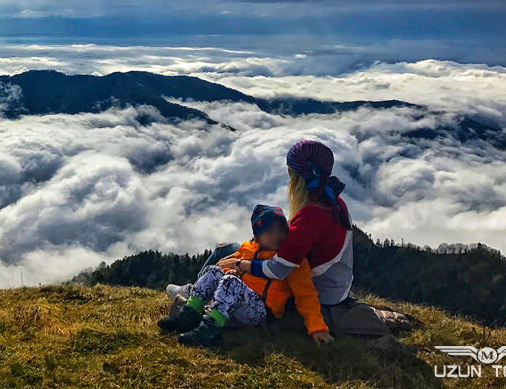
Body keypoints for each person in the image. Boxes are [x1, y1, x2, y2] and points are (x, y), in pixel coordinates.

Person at [219, 140, 392, 337]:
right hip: (337, 286)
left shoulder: (311, 215)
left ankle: (197, 295)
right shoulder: (334, 199)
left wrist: (241, 263)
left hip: (321, 292)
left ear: (295, 175)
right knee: (235, 250)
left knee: (224, 251)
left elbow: (278, 270)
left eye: (289, 170)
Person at [158, 205, 332, 348]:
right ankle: (188, 315)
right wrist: (233, 271)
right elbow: (225, 267)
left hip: (261, 312)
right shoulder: (247, 248)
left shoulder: (291, 261)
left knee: (231, 281)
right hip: (237, 302)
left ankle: (208, 332)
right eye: (270, 231)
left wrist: (317, 328)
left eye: (281, 230)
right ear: (257, 236)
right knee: (214, 271)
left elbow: (306, 295)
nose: (277, 236)